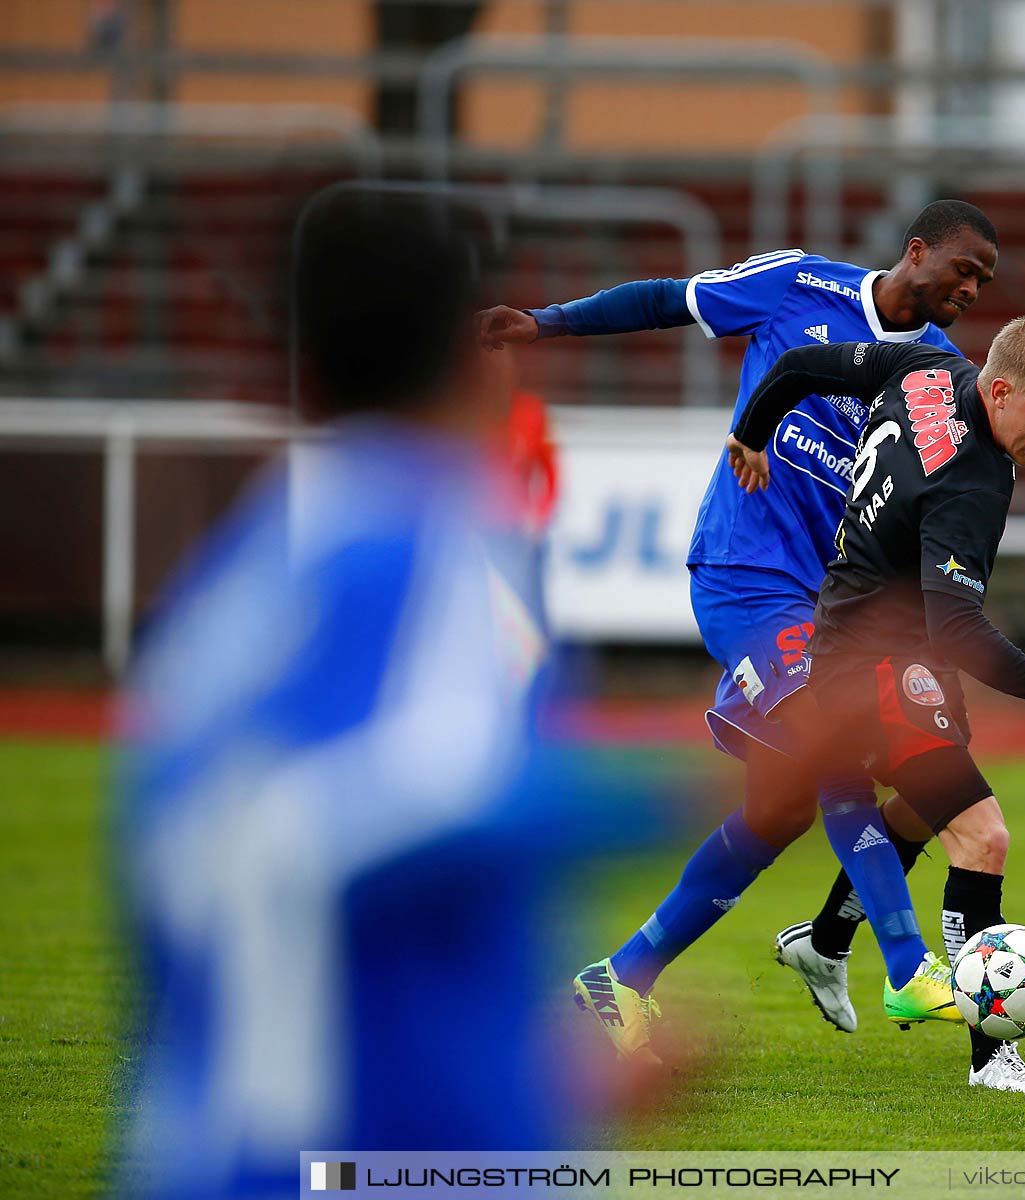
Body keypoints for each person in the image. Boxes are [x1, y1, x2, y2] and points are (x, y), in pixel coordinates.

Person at [115, 194, 664, 1200]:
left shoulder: (233, 580)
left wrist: (542, 1086)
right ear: (473, 362)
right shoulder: (431, 548)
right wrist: (688, 792)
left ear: (298, 376)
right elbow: (401, 809)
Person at [478, 204, 1025, 1053]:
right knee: (835, 741)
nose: (971, 286)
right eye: (963, 266)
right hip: (747, 571)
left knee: (779, 810)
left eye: (985, 280)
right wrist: (546, 322)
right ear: (916, 251)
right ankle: (911, 965)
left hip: (836, 607)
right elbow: (670, 297)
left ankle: (613, 983)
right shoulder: (798, 284)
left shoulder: (941, 378)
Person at [724, 316, 1025, 1092]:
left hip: (875, 647)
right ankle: (993, 1058)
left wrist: (750, 434)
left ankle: (829, 938)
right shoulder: (972, 481)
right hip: (876, 668)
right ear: (1001, 391)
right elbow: (961, 632)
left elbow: (804, 365)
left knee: (916, 813)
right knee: (983, 838)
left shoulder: (925, 368)